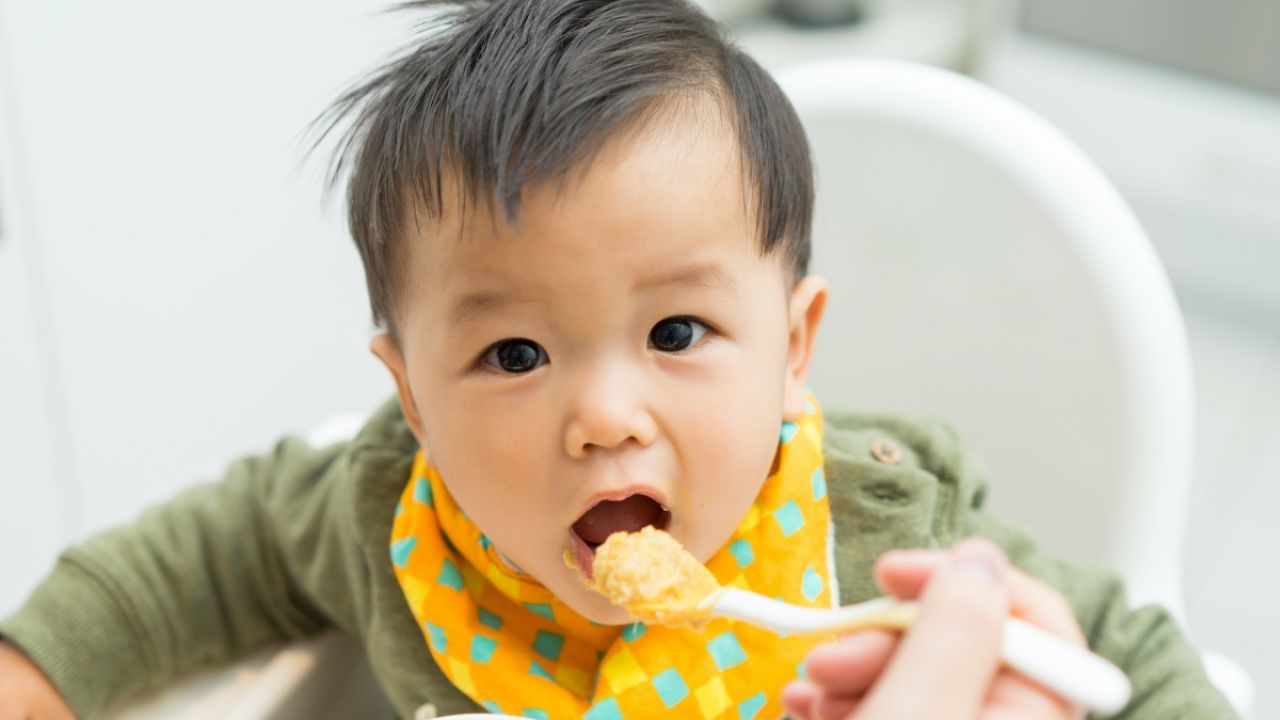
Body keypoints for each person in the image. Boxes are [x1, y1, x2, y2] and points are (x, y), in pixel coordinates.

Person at [0, 1, 1235, 718]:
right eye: (514, 351)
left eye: (677, 334)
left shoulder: (871, 541)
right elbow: (212, 558)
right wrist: (42, 668)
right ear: (413, 401)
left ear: (792, 349)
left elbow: (1125, 643)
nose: (600, 414)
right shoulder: (386, 509)